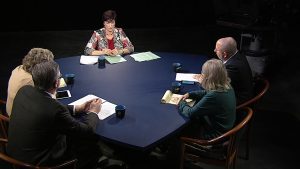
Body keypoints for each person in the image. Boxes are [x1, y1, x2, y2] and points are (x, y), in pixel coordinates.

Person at [7, 61, 103, 169]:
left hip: (13, 153)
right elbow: (87, 131)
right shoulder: (55, 109)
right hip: (37, 162)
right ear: (56, 83)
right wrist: (94, 112)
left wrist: (77, 108)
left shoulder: (24, 90)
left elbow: (46, 111)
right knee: (87, 144)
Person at [178, 59, 236, 139]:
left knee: (179, 133)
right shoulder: (227, 85)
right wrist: (190, 94)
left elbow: (190, 113)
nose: (201, 75)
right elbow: (207, 92)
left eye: (202, 73)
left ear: (208, 77)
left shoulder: (214, 96)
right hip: (224, 127)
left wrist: (181, 102)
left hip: (214, 135)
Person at [6, 48, 54, 116]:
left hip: (11, 109)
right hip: (20, 118)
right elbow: (48, 102)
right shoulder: (31, 80)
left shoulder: (18, 68)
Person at [214, 37, 253, 105]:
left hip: (237, 100)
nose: (214, 50)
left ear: (225, 54)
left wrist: (202, 80)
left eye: (217, 49)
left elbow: (218, 87)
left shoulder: (232, 67)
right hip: (243, 92)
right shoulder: (239, 55)